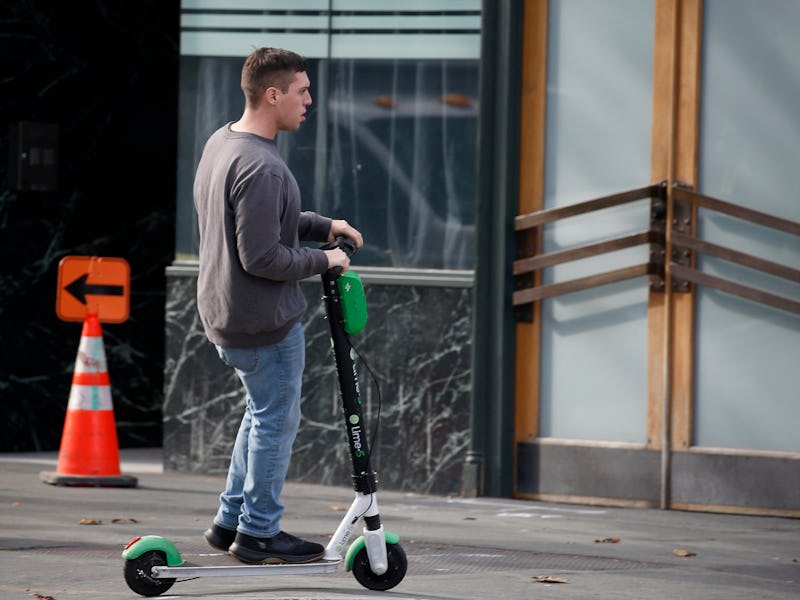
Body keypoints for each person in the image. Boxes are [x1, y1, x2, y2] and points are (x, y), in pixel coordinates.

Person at [193, 47, 363, 565]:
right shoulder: (262, 165)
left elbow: (263, 218)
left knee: (258, 413)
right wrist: (325, 259)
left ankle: (229, 521)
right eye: (301, 91)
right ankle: (259, 532)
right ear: (273, 94)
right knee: (273, 422)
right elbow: (263, 254)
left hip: (225, 314)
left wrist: (322, 225)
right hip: (263, 323)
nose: (309, 100)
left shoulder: (224, 142)